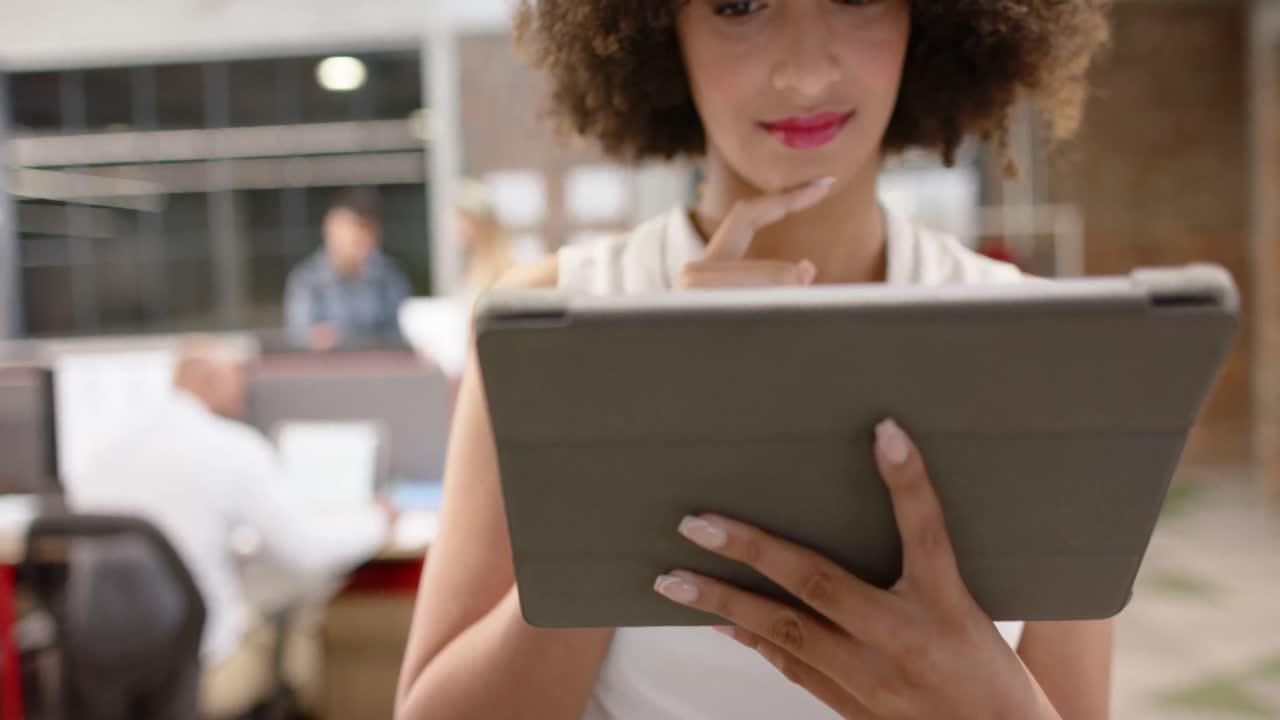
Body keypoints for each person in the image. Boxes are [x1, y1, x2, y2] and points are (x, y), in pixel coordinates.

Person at [397, 2, 1113, 719]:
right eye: (740, 4)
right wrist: (635, 460)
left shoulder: (1038, 346)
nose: (804, 72)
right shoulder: (549, 326)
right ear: (657, 27)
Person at [72, 337, 390, 720]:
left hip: (103, 666)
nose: (243, 394)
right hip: (201, 665)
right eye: (235, 380)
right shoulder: (231, 448)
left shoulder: (99, 456)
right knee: (301, 597)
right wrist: (378, 521)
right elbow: (307, 549)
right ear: (207, 381)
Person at [284, 189, 413, 351]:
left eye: (368, 229)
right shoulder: (306, 279)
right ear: (330, 227)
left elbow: (401, 334)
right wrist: (316, 339)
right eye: (354, 228)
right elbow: (298, 338)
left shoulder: (390, 276)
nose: (361, 238)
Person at [455, 178, 517, 296]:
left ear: (480, 223)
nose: (457, 226)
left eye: (463, 218)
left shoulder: (501, 267)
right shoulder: (474, 262)